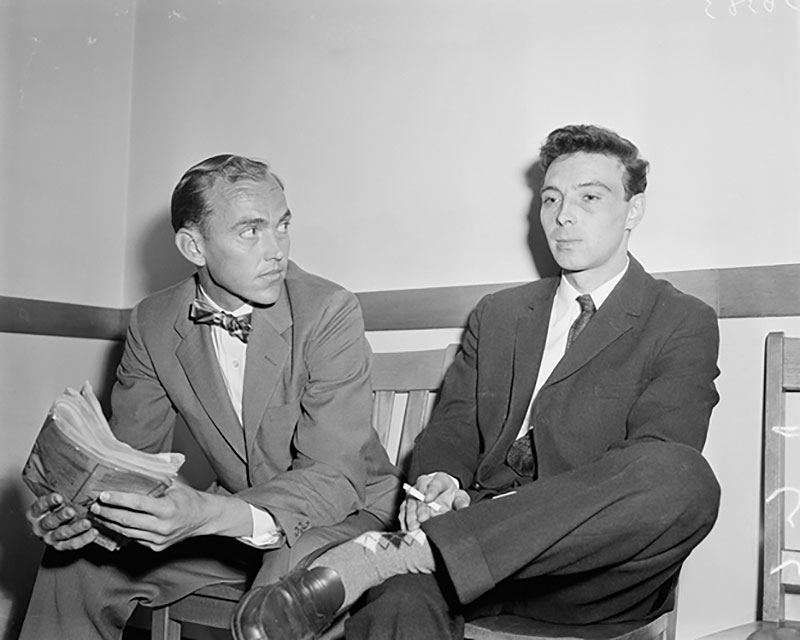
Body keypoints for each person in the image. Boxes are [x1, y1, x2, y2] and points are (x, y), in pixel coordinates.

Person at [231, 125, 722, 640]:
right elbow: (454, 426)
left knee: (683, 474)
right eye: (551, 198)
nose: (563, 215)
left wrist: (471, 529)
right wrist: (439, 480)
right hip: (466, 569)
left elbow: (655, 462)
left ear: (634, 209)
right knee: (398, 599)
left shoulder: (680, 319)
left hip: (588, 575)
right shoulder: (499, 314)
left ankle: (390, 555)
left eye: (589, 197)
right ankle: (408, 555)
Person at [19, 154, 400, 640]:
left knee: (286, 581)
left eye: (282, 226)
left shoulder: (328, 310)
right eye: (250, 231)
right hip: (234, 520)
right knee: (74, 564)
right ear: (194, 246)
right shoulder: (154, 321)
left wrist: (204, 513)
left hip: (350, 514)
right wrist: (82, 515)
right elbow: (130, 460)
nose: (276, 251)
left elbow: (333, 478)